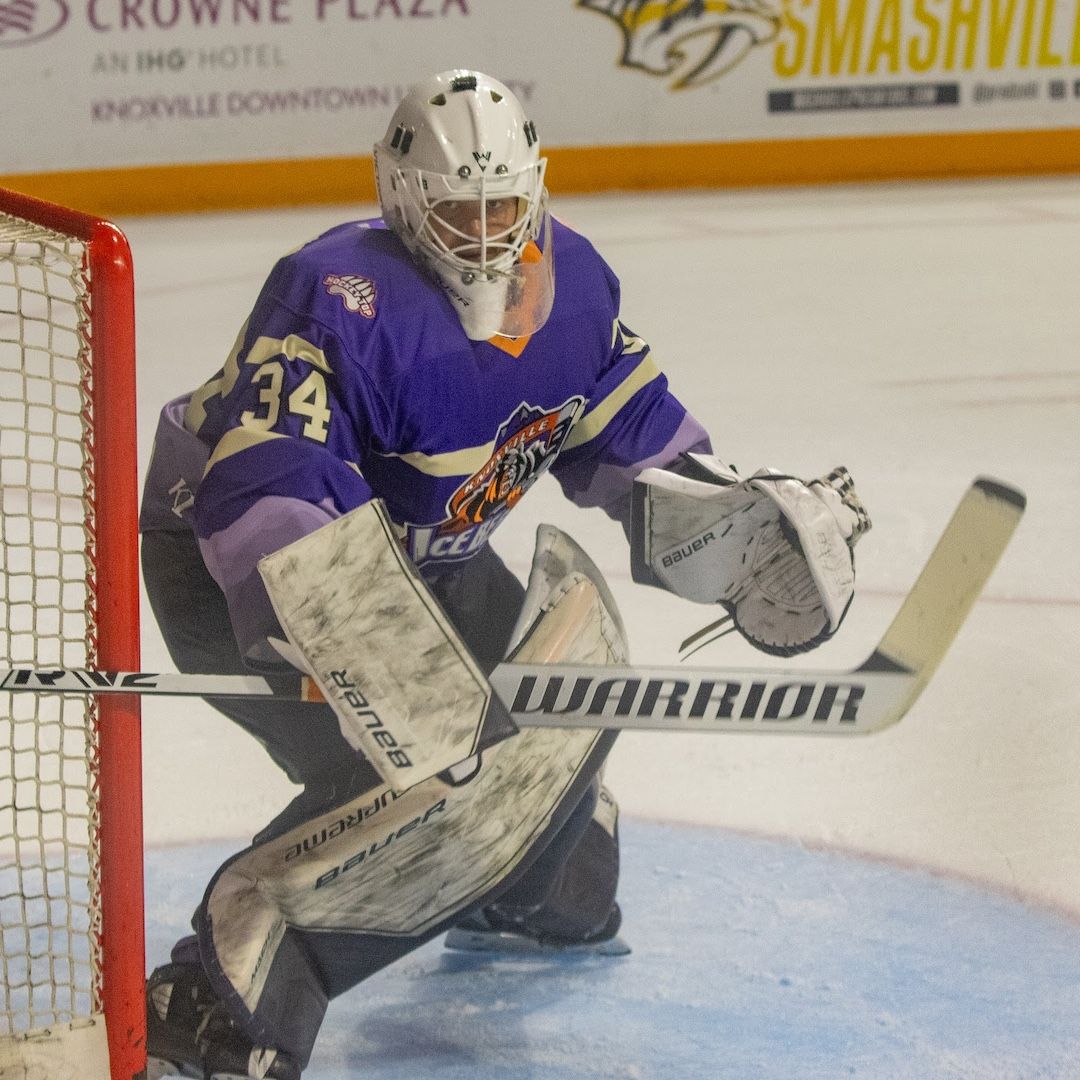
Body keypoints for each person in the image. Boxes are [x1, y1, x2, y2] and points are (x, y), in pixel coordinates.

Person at [138, 69, 867, 1079]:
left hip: (433, 561)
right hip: (234, 571)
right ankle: (214, 1003)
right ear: (401, 198)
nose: (483, 230)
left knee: (555, 843)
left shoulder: (575, 288)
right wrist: (358, 640)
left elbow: (636, 448)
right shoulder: (338, 293)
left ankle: (519, 888)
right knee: (425, 785)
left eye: (501, 202)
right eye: (454, 207)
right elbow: (266, 485)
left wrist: (738, 532)